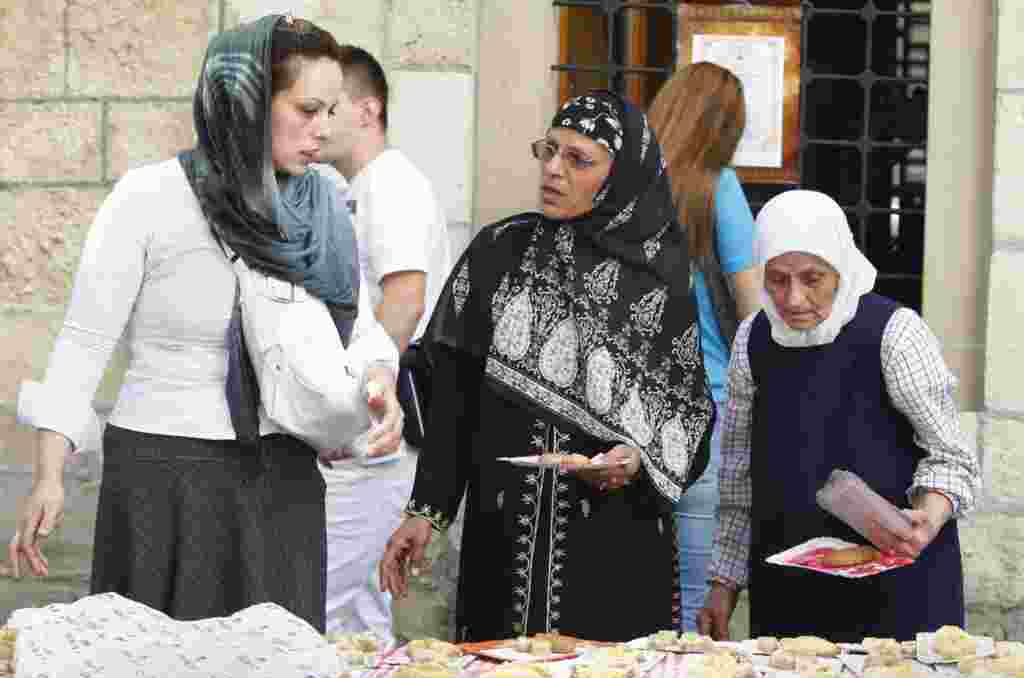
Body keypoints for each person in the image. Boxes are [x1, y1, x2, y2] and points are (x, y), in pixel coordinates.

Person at [8, 15, 403, 633]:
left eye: (332, 112)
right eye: (306, 109)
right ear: (243, 102)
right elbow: (85, 341)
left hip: (281, 480)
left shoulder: (320, 208)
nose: (322, 132)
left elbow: (361, 331)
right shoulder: (149, 198)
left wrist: (382, 384)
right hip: (163, 482)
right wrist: (49, 475)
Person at [379, 90, 716, 643]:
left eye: (579, 160)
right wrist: (427, 512)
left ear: (622, 174)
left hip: (612, 549)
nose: (553, 170)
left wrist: (634, 461)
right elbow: (455, 401)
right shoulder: (500, 252)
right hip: (503, 544)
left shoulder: (659, 279)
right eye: (550, 150)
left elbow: (685, 425)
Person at [697, 189, 981, 642]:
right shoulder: (753, 341)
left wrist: (926, 517)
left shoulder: (894, 334)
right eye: (777, 279)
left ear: (840, 269)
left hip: (899, 592)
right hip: (791, 594)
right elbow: (738, 482)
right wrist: (722, 585)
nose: (793, 298)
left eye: (813, 279)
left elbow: (953, 457)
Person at [315, 46, 455, 641]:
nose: (316, 124)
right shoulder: (363, 187)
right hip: (375, 426)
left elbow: (403, 304)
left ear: (368, 110)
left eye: (329, 107)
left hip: (376, 432)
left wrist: (350, 408)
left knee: (317, 601)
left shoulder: (390, 185)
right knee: (357, 616)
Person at [647, 61, 761, 632]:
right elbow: (754, 312)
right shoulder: (720, 188)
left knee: (632, 593)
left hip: (629, 420)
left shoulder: (623, 189)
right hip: (707, 413)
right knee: (698, 599)